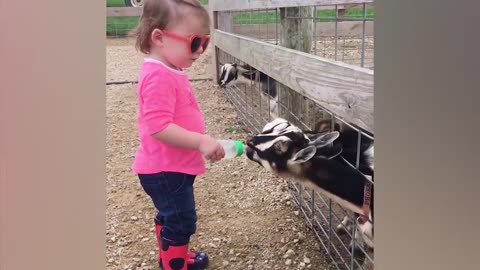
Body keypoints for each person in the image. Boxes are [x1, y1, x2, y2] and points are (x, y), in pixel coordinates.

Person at [129, 0, 225, 269]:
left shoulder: (170, 69)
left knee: (172, 214)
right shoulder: (158, 76)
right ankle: (174, 264)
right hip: (165, 170)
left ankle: (174, 255)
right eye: (195, 42)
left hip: (172, 167)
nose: (201, 51)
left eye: (205, 43)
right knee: (181, 219)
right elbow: (158, 127)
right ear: (159, 37)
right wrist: (200, 140)